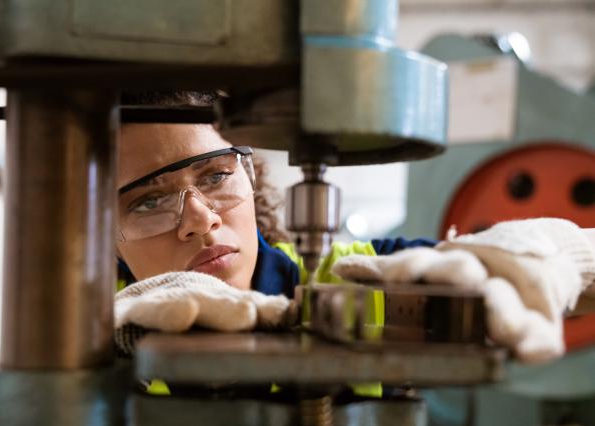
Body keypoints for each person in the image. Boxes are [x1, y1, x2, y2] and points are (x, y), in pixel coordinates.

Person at [114, 92, 595, 368]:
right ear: (99, 231)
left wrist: (554, 253)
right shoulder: (77, 332)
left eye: (216, 176)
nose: (200, 220)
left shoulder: (361, 279)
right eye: (148, 201)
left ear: (251, 173)